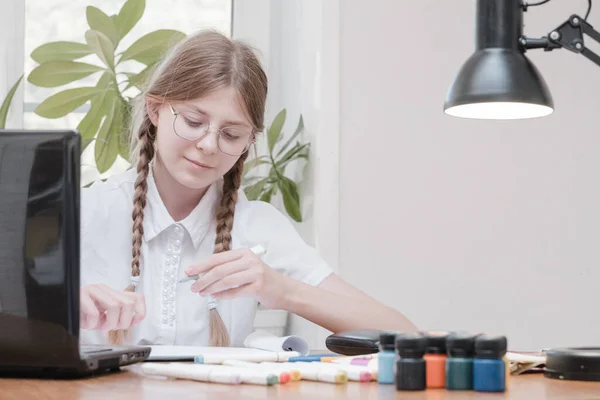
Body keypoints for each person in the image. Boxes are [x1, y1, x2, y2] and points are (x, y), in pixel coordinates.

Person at [79, 30, 417, 347]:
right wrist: (59, 305)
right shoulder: (85, 212)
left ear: (249, 141)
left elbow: (404, 335)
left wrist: (279, 289)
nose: (209, 144)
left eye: (231, 134)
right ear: (155, 109)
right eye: (194, 122)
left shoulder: (257, 226)